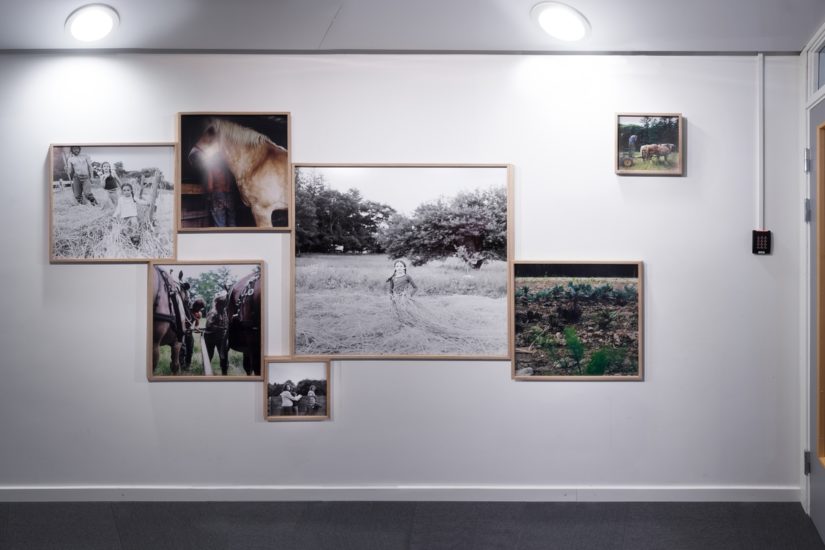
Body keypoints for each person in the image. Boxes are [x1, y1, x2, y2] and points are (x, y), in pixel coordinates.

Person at [111, 181, 148, 246]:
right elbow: (118, 209)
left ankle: (135, 240)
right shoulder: (121, 199)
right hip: (124, 217)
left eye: (128, 190)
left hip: (133, 216)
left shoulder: (133, 198)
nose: (126, 192)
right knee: (125, 228)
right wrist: (114, 215)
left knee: (134, 225)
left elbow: (140, 202)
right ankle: (127, 240)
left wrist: (148, 203)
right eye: (124, 190)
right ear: (122, 191)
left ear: (131, 190)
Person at [181, 297, 205, 371]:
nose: (199, 309)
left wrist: (196, 328)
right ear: (195, 305)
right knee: (182, 349)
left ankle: (188, 365)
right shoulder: (187, 310)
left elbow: (196, 324)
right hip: (182, 332)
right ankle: (181, 365)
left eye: (201, 308)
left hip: (189, 333)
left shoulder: (198, 313)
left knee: (190, 349)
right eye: (199, 307)